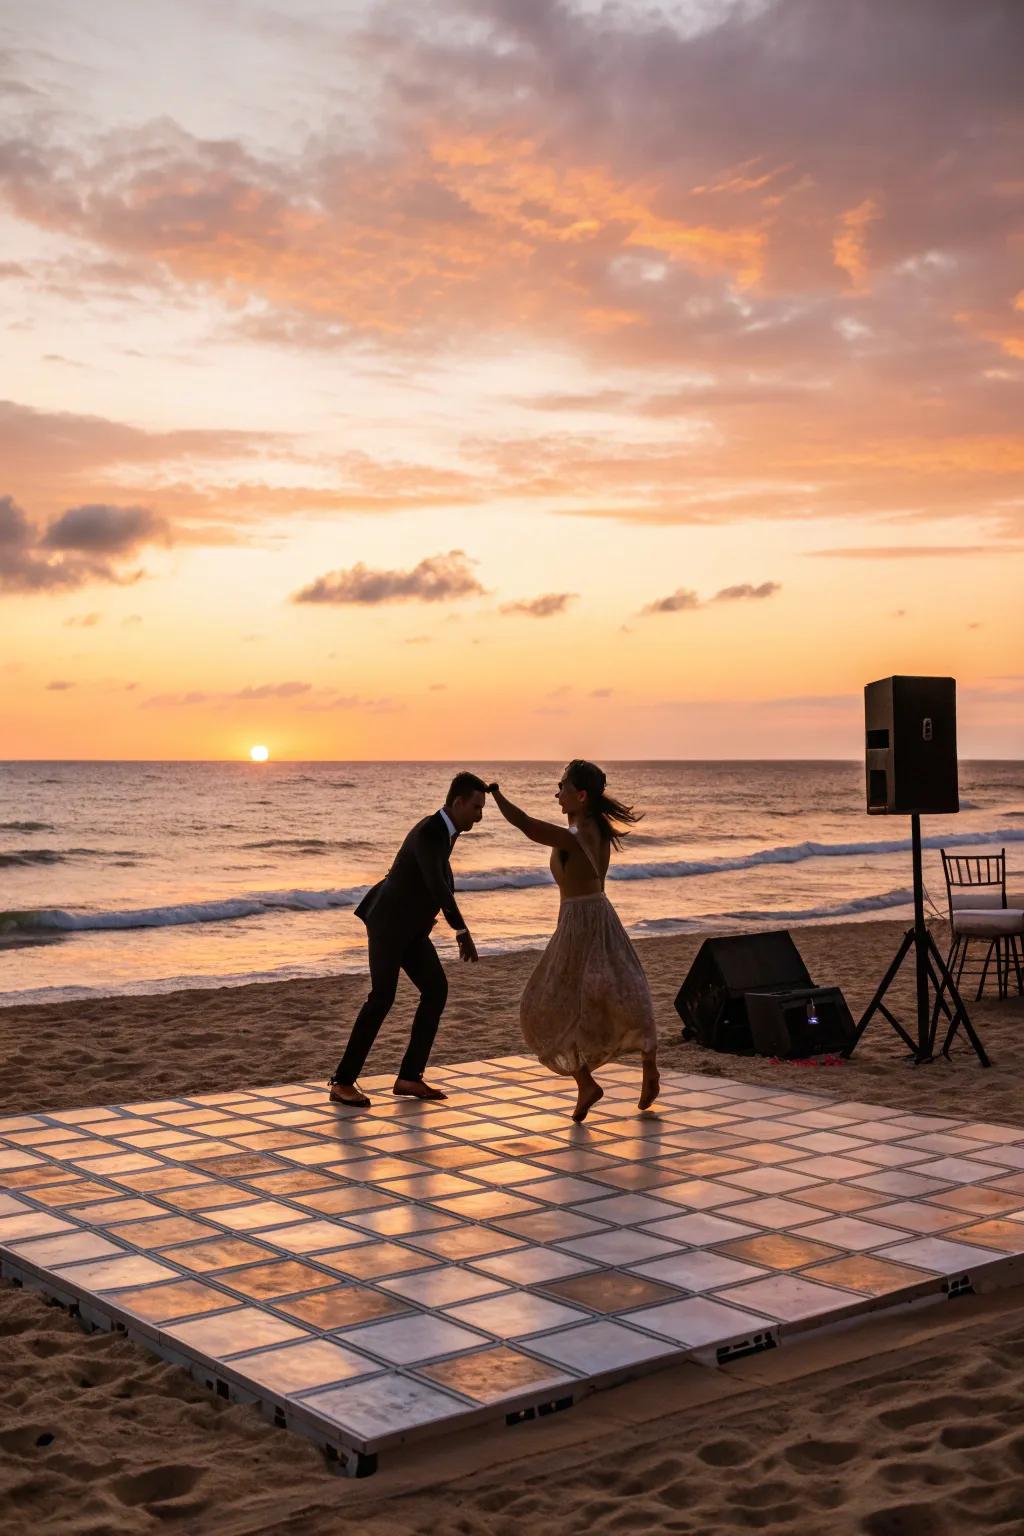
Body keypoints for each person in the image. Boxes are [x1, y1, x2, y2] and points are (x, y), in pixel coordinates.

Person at [488, 762, 659, 1122]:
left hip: (579, 923)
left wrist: (496, 794)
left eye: (562, 786)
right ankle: (639, 1067)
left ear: (580, 796)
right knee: (616, 991)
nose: (557, 793)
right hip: (599, 916)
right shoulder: (597, 828)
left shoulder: (578, 833)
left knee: (543, 1003)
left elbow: (527, 826)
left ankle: (590, 1082)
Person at [328, 772, 487, 1107]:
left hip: (411, 928)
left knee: (436, 989)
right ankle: (342, 1082)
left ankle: (409, 1078)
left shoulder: (446, 831)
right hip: (388, 923)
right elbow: (436, 884)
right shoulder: (431, 831)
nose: (479, 815)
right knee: (382, 997)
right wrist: (460, 930)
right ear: (457, 802)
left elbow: (439, 879)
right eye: (475, 807)